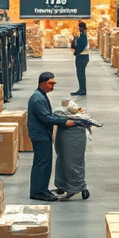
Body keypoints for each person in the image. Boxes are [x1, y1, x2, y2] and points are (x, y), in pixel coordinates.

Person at [27, 72, 76, 201]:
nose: (52, 86)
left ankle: (42, 189)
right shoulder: (37, 98)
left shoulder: (41, 96)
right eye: (50, 83)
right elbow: (46, 118)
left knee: (45, 163)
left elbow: (48, 115)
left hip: (43, 134)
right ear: (42, 83)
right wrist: (64, 122)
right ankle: (38, 192)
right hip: (40, 135)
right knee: (42, 163)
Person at [71, 22, 89, 96]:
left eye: (80, 28)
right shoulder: (82, 35)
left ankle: (82, 89)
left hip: (82, 57)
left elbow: (80, 46)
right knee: (80, 74)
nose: (79, 29)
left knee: (80, 74)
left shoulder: (83, 36)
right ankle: (81, 89)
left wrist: (76, 52)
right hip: (82, 57)